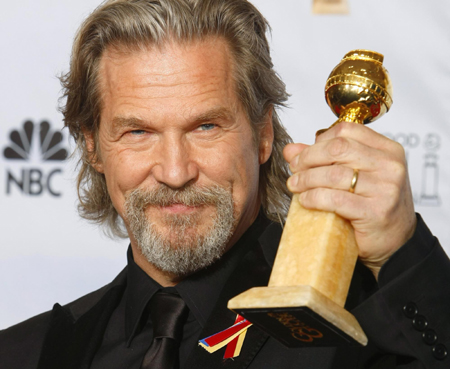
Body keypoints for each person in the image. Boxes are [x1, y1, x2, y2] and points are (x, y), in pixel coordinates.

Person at [1, 0, 449, 368]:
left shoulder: (373, 329)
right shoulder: (28, 352)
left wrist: (405, 256)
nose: (175, 172)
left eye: (206, 127)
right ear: (94, 147)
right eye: (138, 132)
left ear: (264, 134)